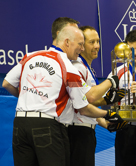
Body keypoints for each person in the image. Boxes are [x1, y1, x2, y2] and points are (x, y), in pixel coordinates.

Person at [2, 25, 124, 166]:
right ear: (67, 42)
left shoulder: (30, 56)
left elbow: (6, 83)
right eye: (80, 44)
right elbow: (83, 107)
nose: (82, 49)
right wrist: (108, 113)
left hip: (19, 125)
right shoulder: (69, 67)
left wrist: (26, 98)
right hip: (48, 126)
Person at [69, 25, 126, 166]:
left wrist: (105, 123)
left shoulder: (88, 69)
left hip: (86, 130)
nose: (96, 46)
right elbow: (87, 100)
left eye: (98, 41)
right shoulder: (77, 67)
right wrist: (110, 83)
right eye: (91, 42)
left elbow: (86, 104)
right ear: (81, 45)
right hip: (76, 131)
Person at [107, 29, 136, 166]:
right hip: (126, 129)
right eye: (131, 49)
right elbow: (109, 101)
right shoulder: (117, 73)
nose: (135, 53)